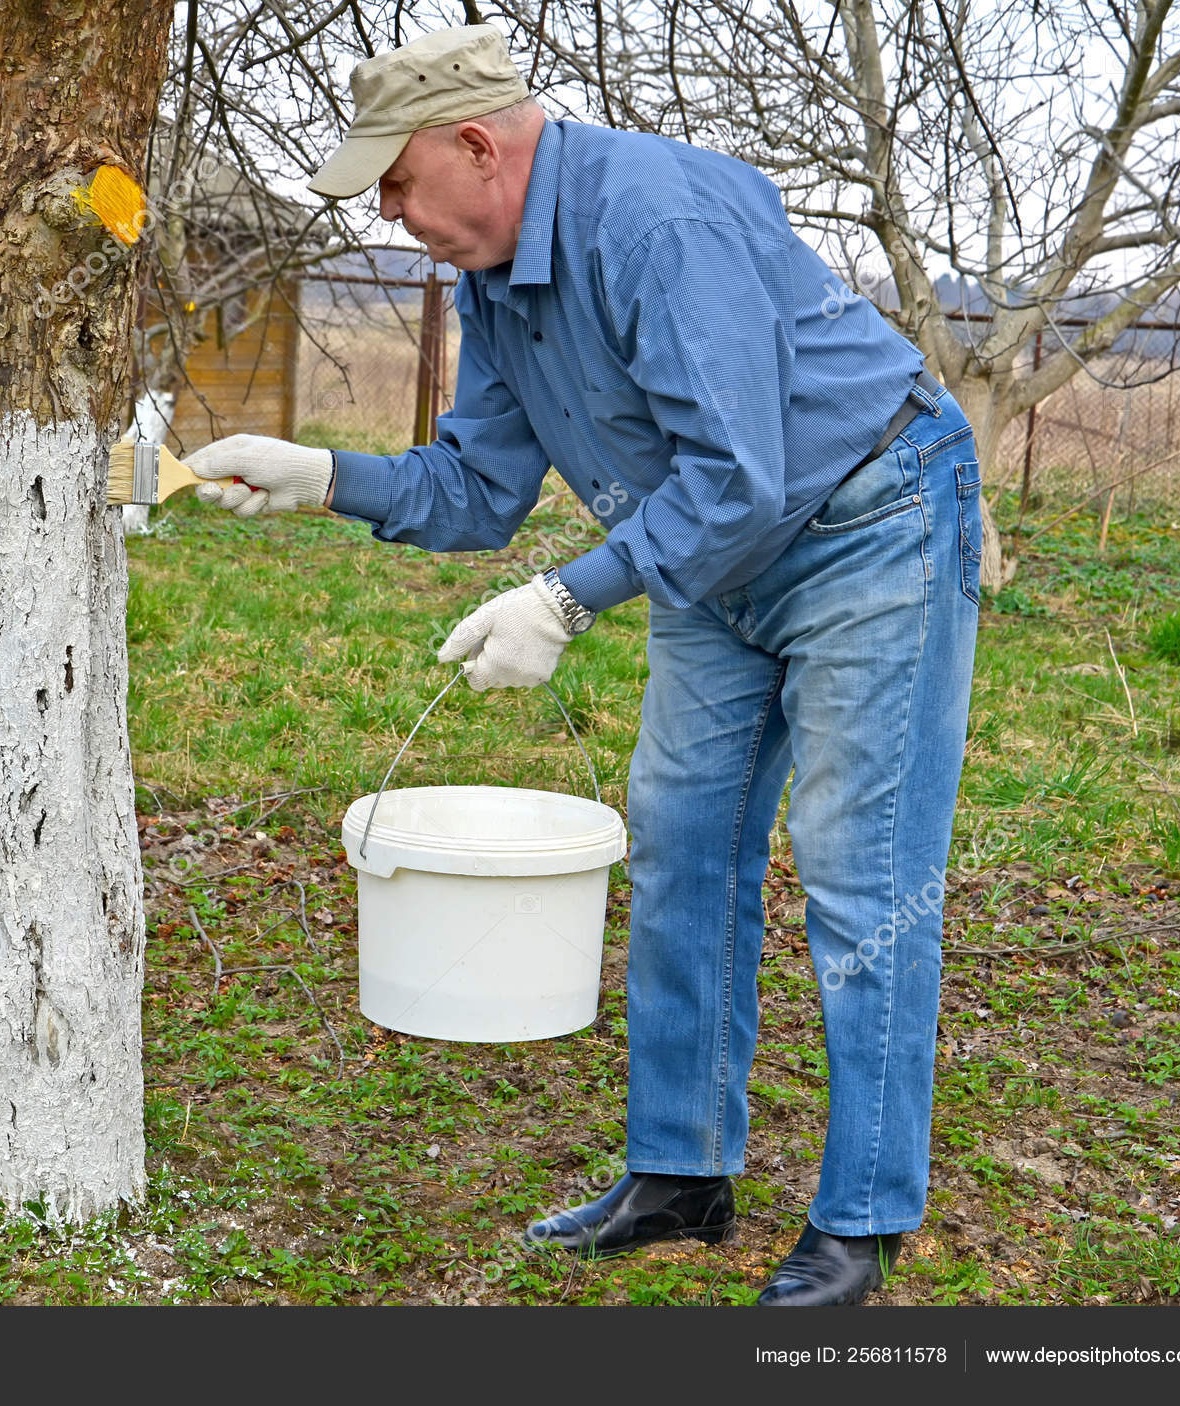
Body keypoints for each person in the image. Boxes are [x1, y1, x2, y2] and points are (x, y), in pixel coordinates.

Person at [186, 23, 981, 1307]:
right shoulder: (499, 280)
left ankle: (863, 1216)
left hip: (864, 524)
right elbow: (479, 487)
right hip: (714, 548)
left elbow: (740, 471)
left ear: (475, 144)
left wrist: (566, 598)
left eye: (395, 185)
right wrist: (323, 477)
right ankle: (680, 1172)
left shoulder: (655, 221)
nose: (394, 219)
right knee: (680, 838)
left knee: (857, 870)